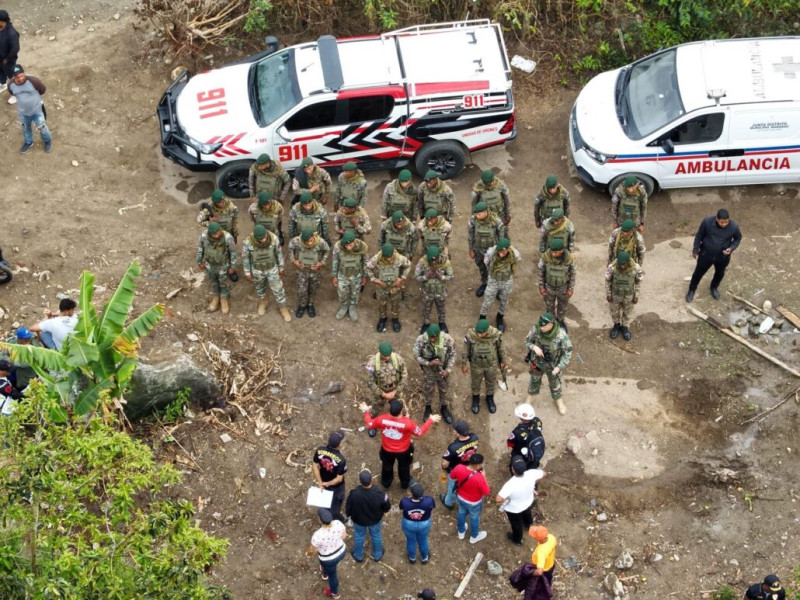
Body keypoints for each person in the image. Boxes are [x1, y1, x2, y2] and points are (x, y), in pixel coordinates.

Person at [359, 398, 439, 490]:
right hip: (404, 451)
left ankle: (386, 483)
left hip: (386, 450)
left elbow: (369, 424)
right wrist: (430, 420)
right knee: (404, 468)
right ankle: (405, 484)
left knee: (387, 467)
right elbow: (419, 432)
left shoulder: (381, 419)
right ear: (401, 411)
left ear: (390, 410)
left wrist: (366, 411)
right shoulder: (408, 423)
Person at [686, 208, 742, 302]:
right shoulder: (707, 222)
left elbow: (738, 238)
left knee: (719, 273)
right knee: (698, 273)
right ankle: (691, 290)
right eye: (721, 222)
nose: (724, 224)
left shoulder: (734, 226)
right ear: (716, 219)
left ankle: (714, 288)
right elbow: (699, 235)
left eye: (726, 222)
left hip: (722, 256)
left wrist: (731, 248)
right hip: (706, 254)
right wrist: (695, 249)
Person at [525, 313, 573, 415]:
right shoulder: (536, 329)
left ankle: (558, 400)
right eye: (541, 325)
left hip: (553, 366)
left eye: (544, 326)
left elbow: (568, 352)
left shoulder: (561, 335)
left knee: (555, 384)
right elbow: (527, 341)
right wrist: (534, 347)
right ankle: (529, 398)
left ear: (551, 324)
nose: (541, 328)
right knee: (534, 380)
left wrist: (559, 367)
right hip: (537, 363)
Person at [242, 225, 292, 321]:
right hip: (257, 270)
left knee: (278, 289)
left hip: (271, 269)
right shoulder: (248, 242)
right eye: (260, 239)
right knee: (259, 287)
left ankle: (282, 307)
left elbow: (278, 254)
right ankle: (263, 302)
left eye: (264, 237)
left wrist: (281, 268)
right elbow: (246, 258)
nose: (264, 240)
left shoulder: (273, 239)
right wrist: (247, 272)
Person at [496, 457, 546, 546]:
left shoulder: (510, 484)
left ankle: (517, 539)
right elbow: (544, 473)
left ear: (512, 469)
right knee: (527, 514)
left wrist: (506, 499)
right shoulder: (531, 473)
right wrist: (535, 483)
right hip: (528, 501)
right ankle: (529, 526)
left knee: (516, 524)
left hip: (514, 509)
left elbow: (498, 499)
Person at [345, 469, 391, 562]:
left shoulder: (354, 493)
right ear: (371, 480)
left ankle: (358, 555)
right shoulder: (380, 493)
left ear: (360, 481)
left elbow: (348, 507)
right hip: (375, 520)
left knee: (359, 536)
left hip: (359, 520)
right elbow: (387, 507)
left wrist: (348, 514)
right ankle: (377, 554)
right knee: (376, 535)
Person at [413, 324, 456, 423]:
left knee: (444, 388)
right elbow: (416, 356)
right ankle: (428, 407)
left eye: (434, 337)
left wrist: (448, 370)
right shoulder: (421, 340)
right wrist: (428, 363)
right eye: (430, 337)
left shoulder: (448, 340)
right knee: (428, 388)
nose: (432, 339)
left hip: (442, 370)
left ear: (438, 335)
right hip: (429, 371)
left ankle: (443, 407)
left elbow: (453, 355)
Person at [462, 318, 505, 414]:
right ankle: (475, 399)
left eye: (481, 334)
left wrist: (503, 361)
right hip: (476, 365)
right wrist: (464, 363)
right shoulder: (470, 335)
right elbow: (465, 350)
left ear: (487, 331)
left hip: (491, 365)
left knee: (491, 381)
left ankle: (489, 398)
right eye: (478, 333)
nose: (479, 335)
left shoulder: (495, 335)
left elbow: (501, 348)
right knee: (476, 383)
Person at [366, 243, 411, 333]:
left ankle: (395, 319)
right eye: (387, 257)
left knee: (395, 303)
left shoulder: (399, 258)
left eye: (390, 257)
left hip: (395, 287)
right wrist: (374, 280)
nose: (389, 259)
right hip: (381, 286)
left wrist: (401, 278)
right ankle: (383, 318)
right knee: (382, 303)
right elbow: (368, 267)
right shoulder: (376, 259)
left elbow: (408, 265)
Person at [364, 342, 407, 434]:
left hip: (395, 389)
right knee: (376, 408)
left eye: (388, 355)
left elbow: (404, 375)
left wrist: (396, 391)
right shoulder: (372, 364)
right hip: (380, 390)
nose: (387, 358)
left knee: (400, 408)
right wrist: (383, 394)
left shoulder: (397, 359)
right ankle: (372, 424)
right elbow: (370, 381)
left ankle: (402, 425)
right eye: (384, 356)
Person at [8, 65, 52, 154]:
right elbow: (12, 93)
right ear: (13, 77)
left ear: (24, 73)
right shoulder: (11, 85)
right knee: (25, 128)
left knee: (41, 127)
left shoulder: (33, 81)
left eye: (21, 76)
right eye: (17, 77)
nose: (20, 79)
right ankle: (28, 142)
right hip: (23, 113)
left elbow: (42, 90)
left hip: (37, 111)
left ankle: (47, 140)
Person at [480, 238, 521, 332]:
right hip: (493, 280)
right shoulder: (491, 253)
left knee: (504, 300)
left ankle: (500, 317)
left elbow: (517, 261)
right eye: (500, 252)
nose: (501, 254)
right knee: (487, 300)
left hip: (506, 281)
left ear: (508, 249)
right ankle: (482, 317)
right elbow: (486, 263)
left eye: (504, 252)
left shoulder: (514, 254)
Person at [196, 222, 237, 314]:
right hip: (209, 265)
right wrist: (199, 261)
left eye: (219, 232)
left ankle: (224, 298)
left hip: (222, 266)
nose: (217, 235)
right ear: (210, 233)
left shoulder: (227, 237)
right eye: (215, 234)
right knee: (213, 281)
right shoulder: (204, 236)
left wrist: (233, 266)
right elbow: (200, 248)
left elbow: (233, 252)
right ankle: (216, 297)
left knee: (223, 283)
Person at [289, 227, 330, 318]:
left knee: (313, 288)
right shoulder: (296, 241)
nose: (309, 243)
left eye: (311, 240)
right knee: (301, 289)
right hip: (302, 271)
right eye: (306, 242)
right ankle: (302, 305)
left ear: (313, 236)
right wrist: (294, 261)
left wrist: (321, 263)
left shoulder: (320, 242)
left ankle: (310, 304)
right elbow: (290, 248)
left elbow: (327, 250)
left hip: (315, 271)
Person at [306, 508, 347, 599]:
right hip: (341, 551)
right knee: (328, 567)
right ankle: (325, 573)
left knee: (332, 575)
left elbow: (313, 550)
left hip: (328, 559)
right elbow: (344, 536)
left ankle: (334, 593)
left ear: (320, 520)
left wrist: (308, 554)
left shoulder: (317, 535)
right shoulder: (338, 523)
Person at [450, 453, 490, 544]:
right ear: (478, 465)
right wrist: (484, 477)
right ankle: (474, 536)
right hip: (473, 502)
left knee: (461, 512)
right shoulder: (480, 478)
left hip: (460, 497)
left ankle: (461, 531)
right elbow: (487, 492)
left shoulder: (459, 467)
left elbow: (452, 476)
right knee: (474, 518)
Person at [468, 202, 504, 298]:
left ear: (485, 212)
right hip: (479, 249)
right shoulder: (473, 221)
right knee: (482, 268)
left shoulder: (496, 221)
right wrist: (471, 249)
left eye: (479, 214)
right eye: (476, 214)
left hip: (492, 251)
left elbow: (501, 237)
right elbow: (470, 235)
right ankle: (485, 283)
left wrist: (500, 251)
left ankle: (496, 289)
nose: (477, 216)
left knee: (494, 270)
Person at [605, 250, 644, 340]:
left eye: (624, 264)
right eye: (620, 264)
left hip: (629, 296)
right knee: (614, 312)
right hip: (615, 295)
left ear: (628, 262)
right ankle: (616, 325)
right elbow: (607, 281)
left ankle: (624, 327)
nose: (622, 266)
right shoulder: (612, 267)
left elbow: (638, 282)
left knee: (627, 312)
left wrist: (636, 296)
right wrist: (609, 294)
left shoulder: (636, 268)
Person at [538, 238, 576, 330]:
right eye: (552, 251)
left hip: (563, 287)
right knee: (549, 306)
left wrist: (570, 288)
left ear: (562, 251)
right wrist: (541, 286)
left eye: (556, 252)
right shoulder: (545, 258)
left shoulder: (568, 259)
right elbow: (541, 272)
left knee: (562, 306)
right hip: (549, 287)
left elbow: (572, 274)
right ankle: (551, 322)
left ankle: (561, 321)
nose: (553, 254)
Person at [440, 421, 479, 509]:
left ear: (458, 433)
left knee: (453, 487)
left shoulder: (453, 447)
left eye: (455, 430)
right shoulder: (475, 437)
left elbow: (445, 463)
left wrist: (443, 468)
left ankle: (448, 502)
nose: (453, 431)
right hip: (469, 467)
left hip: (456, 470)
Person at [331, 231, 369, 321]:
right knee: (342, 292)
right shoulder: (338, 246)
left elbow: (365, 262)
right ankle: (344, 306)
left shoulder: (362, 247)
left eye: (351, 245)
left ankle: (352, 307)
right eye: (346, 246)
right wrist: (334, 276)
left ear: (354, 241)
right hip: (343, 274)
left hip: (356, 274)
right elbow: (335, 261)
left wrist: (364, 276)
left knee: (355, 292)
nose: (348, 248)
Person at [415, 245, 453, 334]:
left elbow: (451, 276)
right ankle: (426, 323)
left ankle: (442, 323)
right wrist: (425, 276)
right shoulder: (422, 262)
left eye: (434, 259)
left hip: (440, 291)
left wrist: (441, 276)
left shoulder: (445, 262)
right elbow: (417, 277)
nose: (433, 262)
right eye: (430, 260)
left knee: (441, 308)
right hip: (427, 291)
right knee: (426, 308)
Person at [311, 431, 348, 522]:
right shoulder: (341, 460)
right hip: (336, 486)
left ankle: (324, 514)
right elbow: (339, 479)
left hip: (323, 478)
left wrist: (320, 482)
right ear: (338, 445)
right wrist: (327, 484)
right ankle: (334, 517)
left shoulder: (320, 450)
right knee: (336, 502)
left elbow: (315, 466)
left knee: (324, 499)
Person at [399, 482, 436, 564]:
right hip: (424, 523)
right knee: (423, 540)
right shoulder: (429, 501)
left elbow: (401, 507)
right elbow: (432, 506)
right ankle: (424, 558)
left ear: (411, 493)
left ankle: (412, 558)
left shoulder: (405, 502)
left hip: (408, 523)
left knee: (411, 540)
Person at [507, 403, 545, 472]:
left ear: (523, 419)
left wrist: (509, 452)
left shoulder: (518, 431)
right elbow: (539, 430)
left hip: (520, 454)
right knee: (533, 465)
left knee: (515, 466)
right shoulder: (537, 421)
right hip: (534, 453)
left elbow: (510, 443)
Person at [472, 170, 511, 235]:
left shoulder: (500, 185)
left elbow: (507, 200)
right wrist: (475, 218)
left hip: (500, 214)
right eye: (489, 183)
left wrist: (508, 214)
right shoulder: (478, 189)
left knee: (503, 232)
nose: (492, 183)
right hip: (485, 216)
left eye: (492, 181)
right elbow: (474, 205)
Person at [0, 11, 20, 104]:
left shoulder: (11, 33)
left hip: (8, 60)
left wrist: (7, 59)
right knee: (1, 72)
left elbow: (15, 48)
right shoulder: (1, 28)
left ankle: (16, 93)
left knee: (12, 76)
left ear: (3, 21)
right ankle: (3, 84)